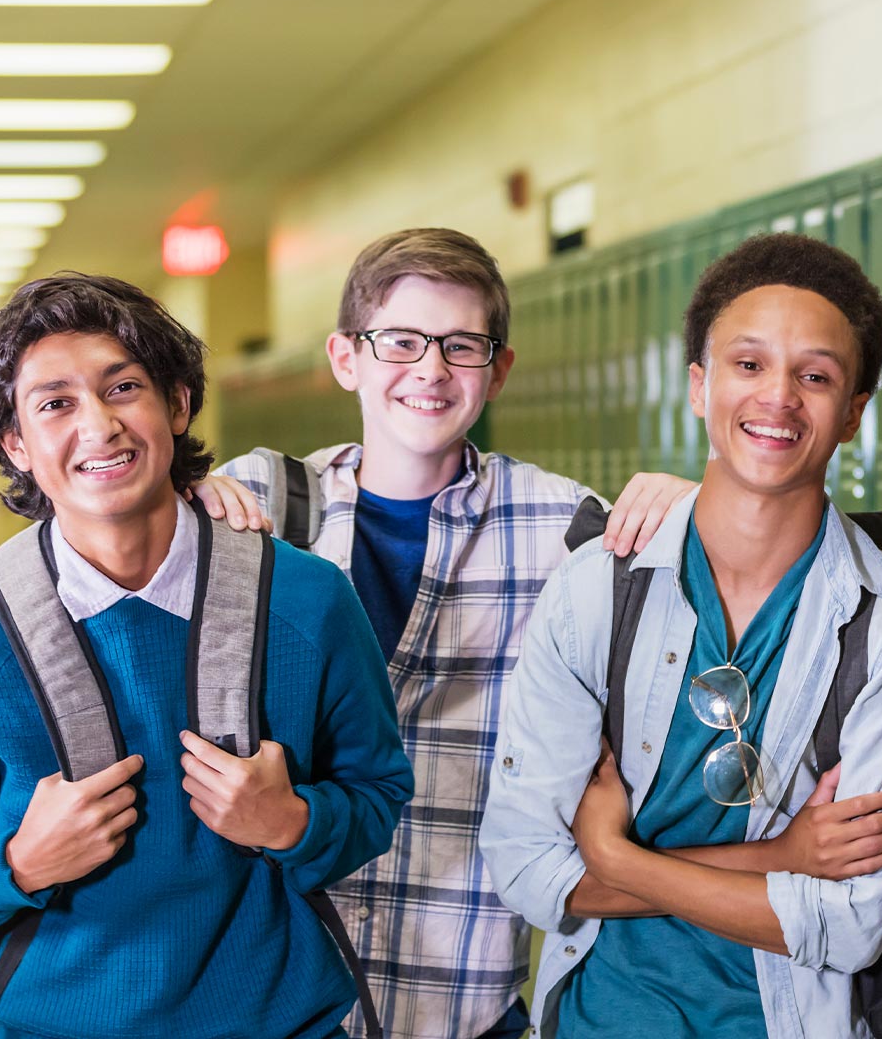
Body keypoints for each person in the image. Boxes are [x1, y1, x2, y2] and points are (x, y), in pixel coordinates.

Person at [0, 274, 413, 1038]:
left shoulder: (308, 602)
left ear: (176, 406)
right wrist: (20, 863)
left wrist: (291, 821)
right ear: (15, 444)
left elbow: (377, 794)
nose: (99, 425)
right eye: (55, 404)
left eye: (123, 388)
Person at [196, 228, 692, 1039]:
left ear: (498, 370)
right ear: (345, 358)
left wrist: (690, 506)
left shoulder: (561, 525)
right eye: (400, 341)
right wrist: (180, 494)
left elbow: (719, 587)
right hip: (271, 994)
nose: (430, 369)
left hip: (459, 989)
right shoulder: (258, 505)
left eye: (462, 346)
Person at [480, 233, 882, 1038]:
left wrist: (615, 858)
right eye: (749, 364)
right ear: (700, 386)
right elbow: (527, 869)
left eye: (815, 376)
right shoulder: (595, 592)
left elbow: (855, 924)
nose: (778, 397)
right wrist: (782, 857)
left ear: (853, 414)